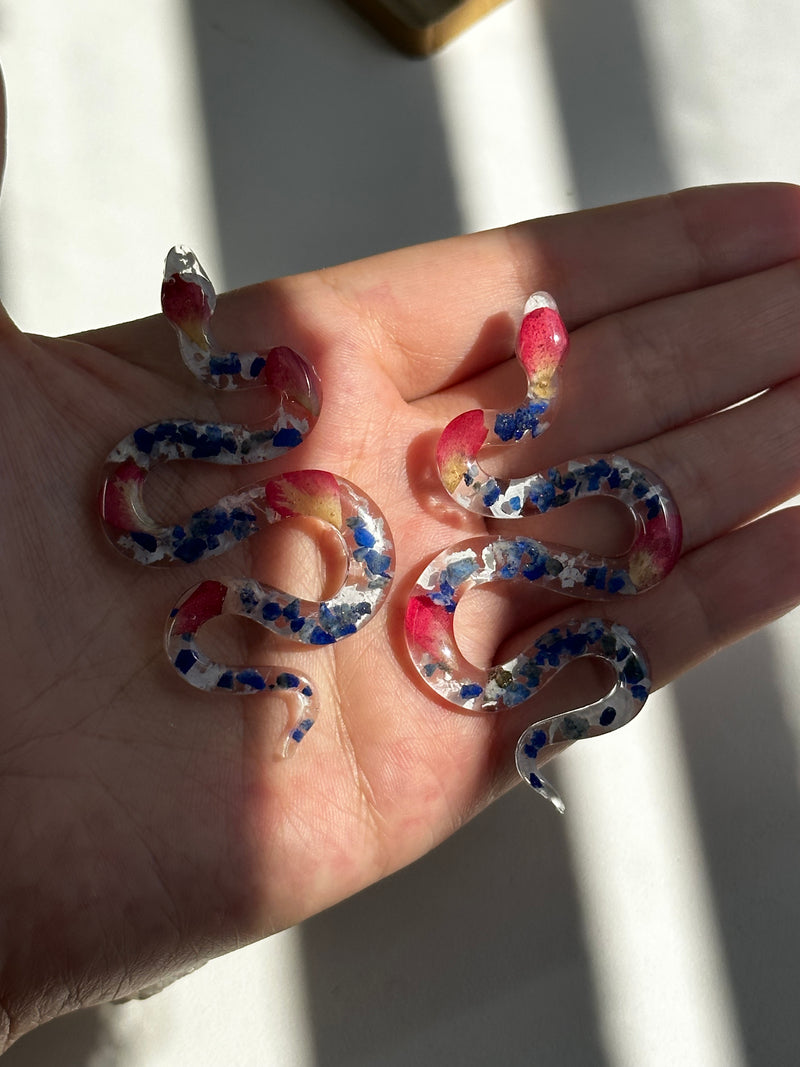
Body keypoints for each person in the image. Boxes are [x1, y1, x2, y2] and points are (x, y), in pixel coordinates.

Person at [3, 68, 800, 1049]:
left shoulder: (426, 455)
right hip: (343, 560)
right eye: (192, 293)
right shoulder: (281, 413)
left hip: (376, 561)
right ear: (193, 310)